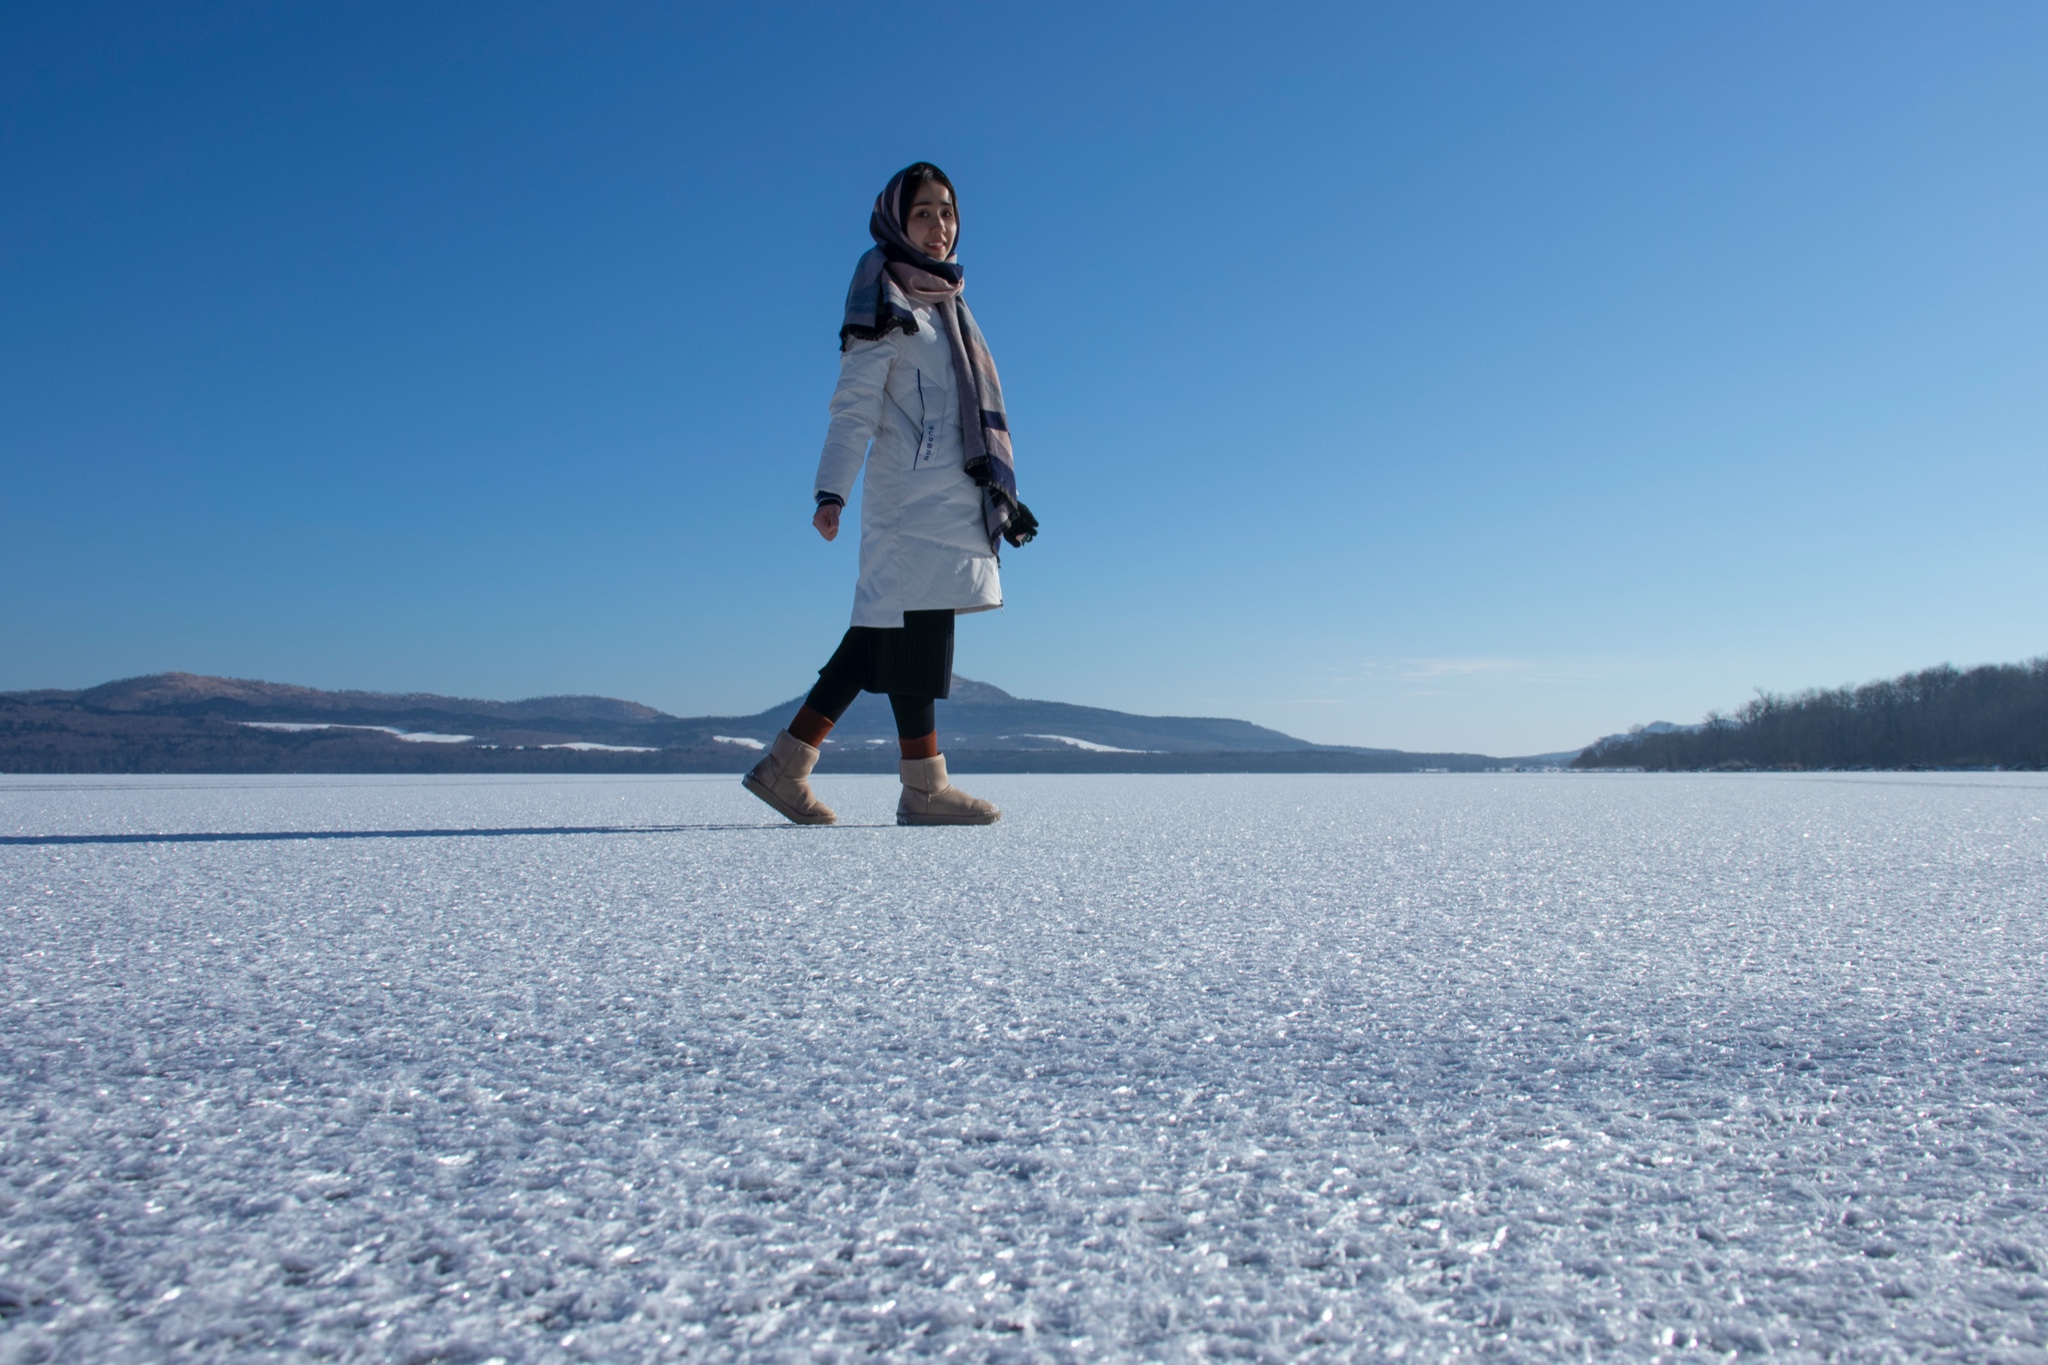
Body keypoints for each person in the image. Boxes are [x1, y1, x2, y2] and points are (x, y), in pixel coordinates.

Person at [744, 162, 1037, 827]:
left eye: (947, 211)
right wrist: (831, 491)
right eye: (923, 214)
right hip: (910, 503)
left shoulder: (950, 307)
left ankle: (797, 767)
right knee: (897, 633)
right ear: (895, 223)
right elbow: (854, 409)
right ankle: (914, 786)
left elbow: (971, 420)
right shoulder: (885, 301)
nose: (939, 227)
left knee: (891, 635)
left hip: (949, 500)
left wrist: (1004, 498)